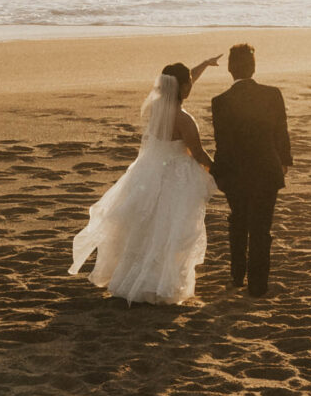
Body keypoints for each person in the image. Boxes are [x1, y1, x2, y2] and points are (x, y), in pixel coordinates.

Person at [70, 56, 222, 305]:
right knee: (171, 229)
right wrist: (218, 171)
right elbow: (198, 153)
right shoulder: (184, 119)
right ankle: (159, 283)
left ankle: (132, 278)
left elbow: (182, 81)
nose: (191, 86)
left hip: (150, 174)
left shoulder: (156, 108)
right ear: (182, 87)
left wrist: (203, 65)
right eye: (189, 83)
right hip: (175, 177)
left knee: (148, 228)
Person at [210, 43, 292, 299]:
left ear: (230, 70)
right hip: (267, 169)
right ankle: (258, 285)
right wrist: (284, 163)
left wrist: (219, 174)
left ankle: (237, 275)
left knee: (238, 221)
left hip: (235, 172)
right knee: (261, 228)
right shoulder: (272, 94)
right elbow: (281, 132)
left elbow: (222, 142)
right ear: (253, 67)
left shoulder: (220, 101)